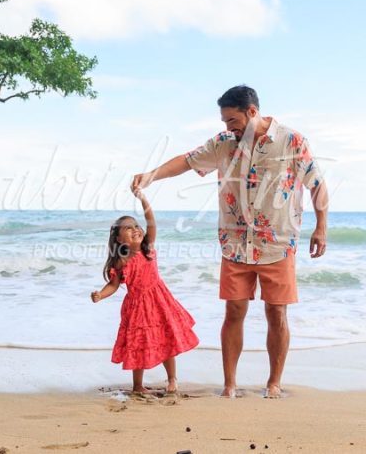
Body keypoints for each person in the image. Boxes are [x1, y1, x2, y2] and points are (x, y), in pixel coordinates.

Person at [131, 85, 328, 398]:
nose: (228, 127)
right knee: (234, 312)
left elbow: (317, 184)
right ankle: (230, 385)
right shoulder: (223, 143)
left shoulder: (292, 141)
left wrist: (321, 227)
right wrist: (152, 175)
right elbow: (186, 161)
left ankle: (273, 383)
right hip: (234, 243)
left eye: (232, 121)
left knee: (276, 313)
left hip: (278, 243)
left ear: (252, 112)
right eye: (224, 122)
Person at [91, 190, 200, 394]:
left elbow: (151, 221)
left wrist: (143, 199)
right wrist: (100, 295)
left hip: (159, 300)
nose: (135, 229)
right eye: (127, 228)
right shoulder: (121, 260)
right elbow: (114, 285)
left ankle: (172, 379)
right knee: (138, 344)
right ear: (118, 239)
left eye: (135, 225)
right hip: (137, 307)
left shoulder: (147, 248)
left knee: (166, 339)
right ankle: (138, 386)